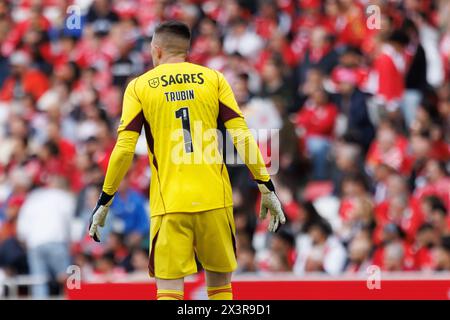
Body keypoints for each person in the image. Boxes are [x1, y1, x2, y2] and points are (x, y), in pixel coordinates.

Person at [88, 21, 286, 300]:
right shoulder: (214, 79)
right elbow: (242, 136)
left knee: (169, 293)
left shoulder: (139, 87)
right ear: (186, 50)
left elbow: (124, 148)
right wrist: (266, 186)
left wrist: (105, 200)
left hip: (170, 203)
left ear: (156, 50)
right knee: (220, 290)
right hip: (215, 199)